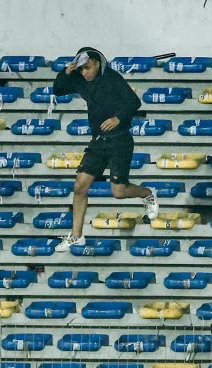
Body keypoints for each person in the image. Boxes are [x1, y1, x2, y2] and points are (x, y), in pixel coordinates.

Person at [52, 47, 159, 251]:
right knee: (80, 186)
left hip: (119, 140)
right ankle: (76, 235)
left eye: (88, 68)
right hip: (98, 141)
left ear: (97, 64)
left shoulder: (112, 78)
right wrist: (65, 72)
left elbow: (134, 102)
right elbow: (58, 89)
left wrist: (117, 118)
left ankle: (147, 193)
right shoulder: (80, 78)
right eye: (81, 69)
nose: (85, 73)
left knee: (119, 192)